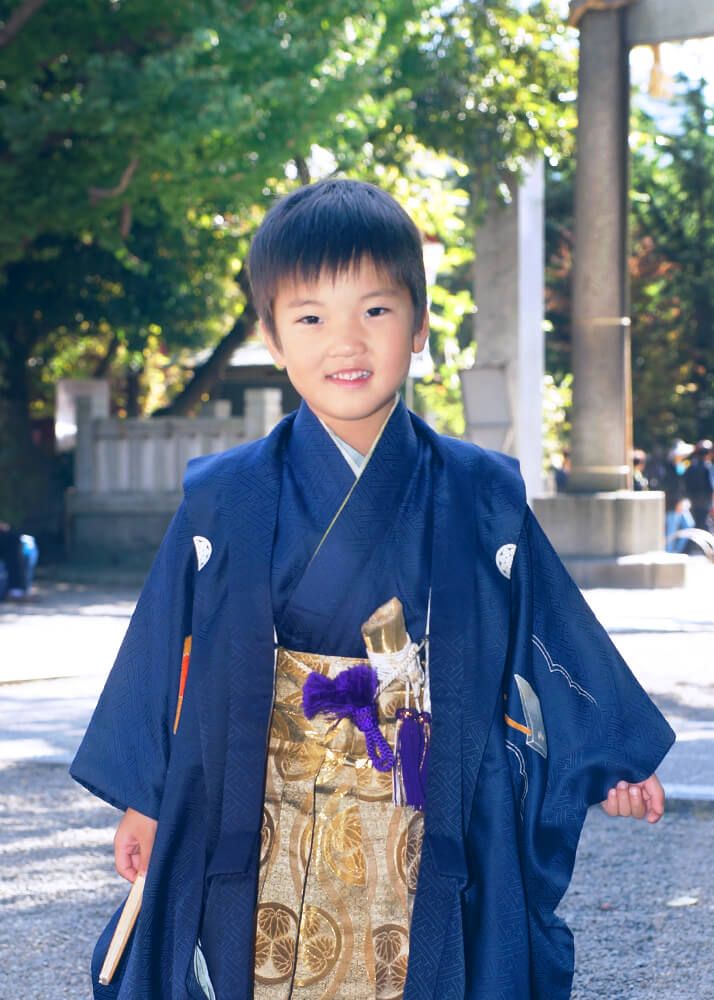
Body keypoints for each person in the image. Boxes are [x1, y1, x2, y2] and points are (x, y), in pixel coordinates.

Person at [71, 180, 674, 1000]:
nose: (344, 341)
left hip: (419, 801)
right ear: (273, 336)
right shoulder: (226, 497)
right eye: (311, 317)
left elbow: (545, 628)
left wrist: (609, 757)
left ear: (420, 325)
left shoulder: (477, 490)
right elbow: (165, 645)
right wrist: (143, 797)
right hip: (263, 804)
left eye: (376, 312)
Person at [684, 438, 713, 533]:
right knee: (706, 524)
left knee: (697, 524)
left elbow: (686, 484)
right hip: (705, 502)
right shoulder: (707, 467)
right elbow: (711, 486)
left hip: (693, 501)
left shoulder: (691, 467)